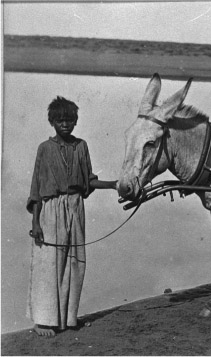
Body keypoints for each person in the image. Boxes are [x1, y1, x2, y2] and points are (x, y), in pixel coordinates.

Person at [26, 96, 117, 337]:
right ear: (52, 122)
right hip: (51, 208)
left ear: (76, 121)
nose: (65, 124)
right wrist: (35, 222)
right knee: (49, 264)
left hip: (75, 207)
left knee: (75, 262)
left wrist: (115, 185)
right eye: (60, 120)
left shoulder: (81, 146)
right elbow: (36, 188)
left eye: (70, 120)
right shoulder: (44, 149)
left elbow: (89, 180)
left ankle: (67, 318)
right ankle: (43, 321)